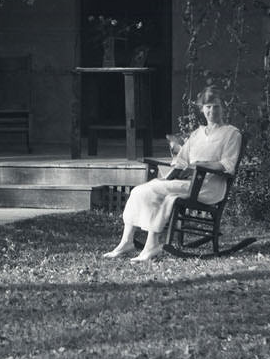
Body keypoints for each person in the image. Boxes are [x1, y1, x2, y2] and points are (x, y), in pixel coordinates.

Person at [103, 85, 242, 262]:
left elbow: (227, 165)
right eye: (208, 107)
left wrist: (199, 165)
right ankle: (128, 242)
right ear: (202, 109)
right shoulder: (197, 134)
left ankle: (150, 246)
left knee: (152, 191)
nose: (212, 111)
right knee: (141, 190)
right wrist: (174, 171)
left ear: (224, 107)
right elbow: (182, 160)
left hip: (209, 187)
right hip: (189, 184)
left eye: (216, 106)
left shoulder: (231, 134)